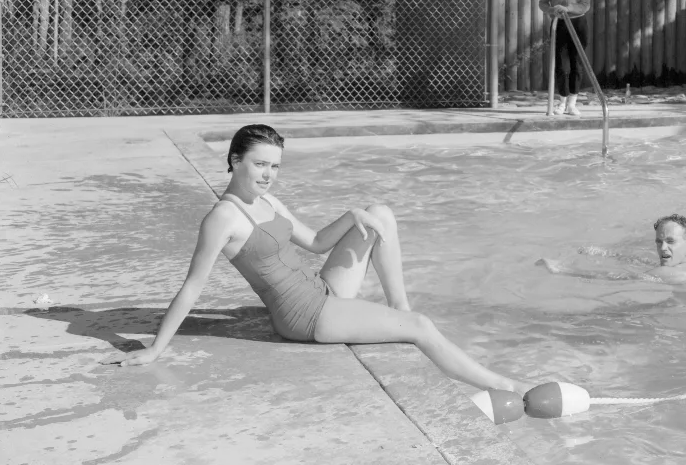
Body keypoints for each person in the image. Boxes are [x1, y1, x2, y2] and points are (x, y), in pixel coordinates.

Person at [110, 124, 524, 393]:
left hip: (320, 289)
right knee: (422, 327)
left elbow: (316, 243)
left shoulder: (269, 200)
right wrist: (154, 349)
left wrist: (352, 216)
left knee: (380, 214)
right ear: (236, 160)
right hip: (303, 315)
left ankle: (398, 310)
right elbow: (193, 286)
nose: (268, 174)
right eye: (260, 164)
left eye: (275, 166)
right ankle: (502, 384)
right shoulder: (224, 217)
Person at [536, 214, 686, 287]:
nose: (662, 248)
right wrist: (608, 254)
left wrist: (563, 270)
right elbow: (645, 264)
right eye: (658, 242)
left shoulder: (668, 273)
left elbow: (617, 277)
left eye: (670, 241)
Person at [538, 0, 592, 116]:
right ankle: (561, 102)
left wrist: (567, 8)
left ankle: (572, 104)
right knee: (561, 64)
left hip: (578, 24)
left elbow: (585, 4)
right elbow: (543, 2)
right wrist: (553, 10)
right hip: (559, 24)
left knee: (577, 63)